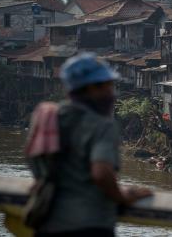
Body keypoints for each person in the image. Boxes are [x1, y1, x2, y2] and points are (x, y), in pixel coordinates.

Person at [28, 53, 152, 237]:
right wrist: (123, 196)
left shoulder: (48, 117)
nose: (112, 92)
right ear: (92, 88)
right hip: (88, 226)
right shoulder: (102, 125)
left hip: (48, 222)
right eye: (108, 86)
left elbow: (36, 163)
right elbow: (101, 173)